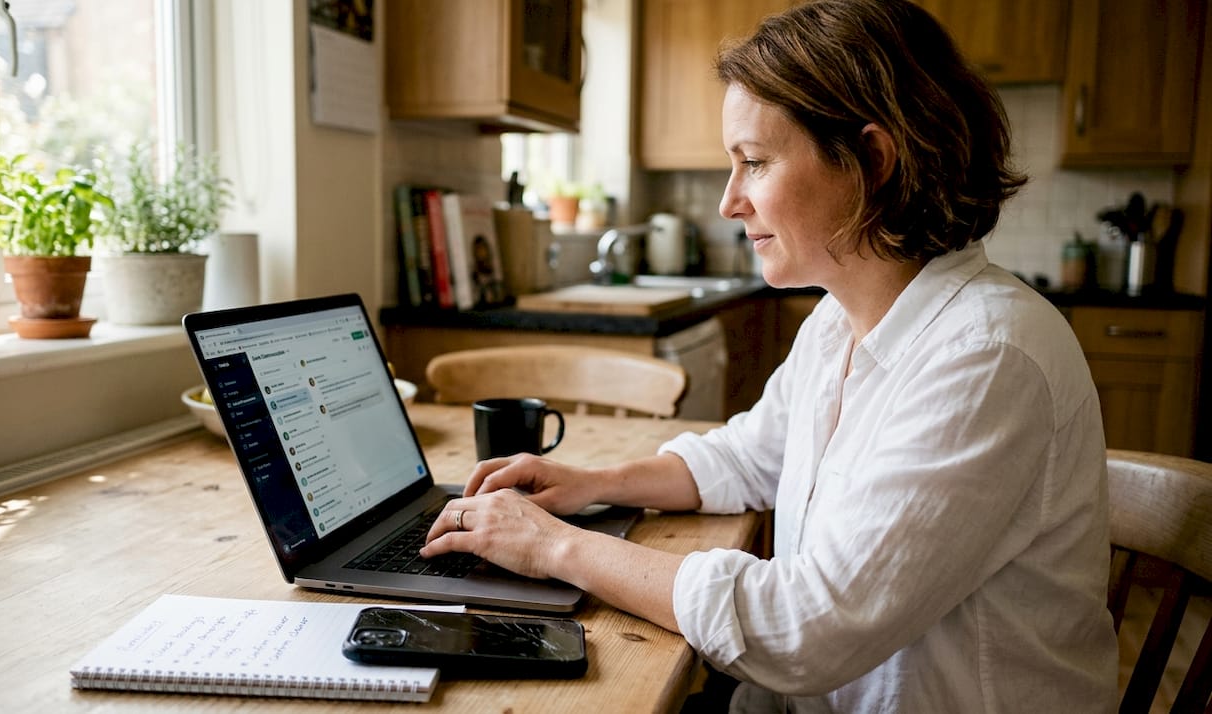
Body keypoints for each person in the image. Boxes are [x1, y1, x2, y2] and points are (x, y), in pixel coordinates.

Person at [421, 0, 1118, 710]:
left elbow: (805, 627)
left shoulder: (988, 357)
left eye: (753, 163)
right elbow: (751, 457)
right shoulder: (836, 320)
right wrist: (592, 483)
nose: (730, 202)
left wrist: (556, 548)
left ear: (873, 162)